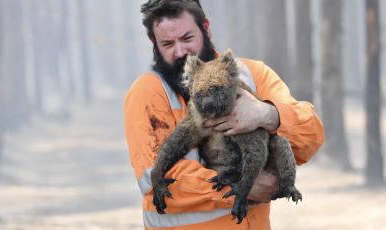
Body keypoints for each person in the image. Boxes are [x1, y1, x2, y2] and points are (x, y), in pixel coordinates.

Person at [124, 0, 324, 229]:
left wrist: (268, 114)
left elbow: (310, 136)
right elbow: (153, 178)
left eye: (187, 38)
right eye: (167, 43)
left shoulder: (252, 74)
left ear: (206, 28)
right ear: (154, 43)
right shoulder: (147, 93)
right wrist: (238, 187)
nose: (180, 52)